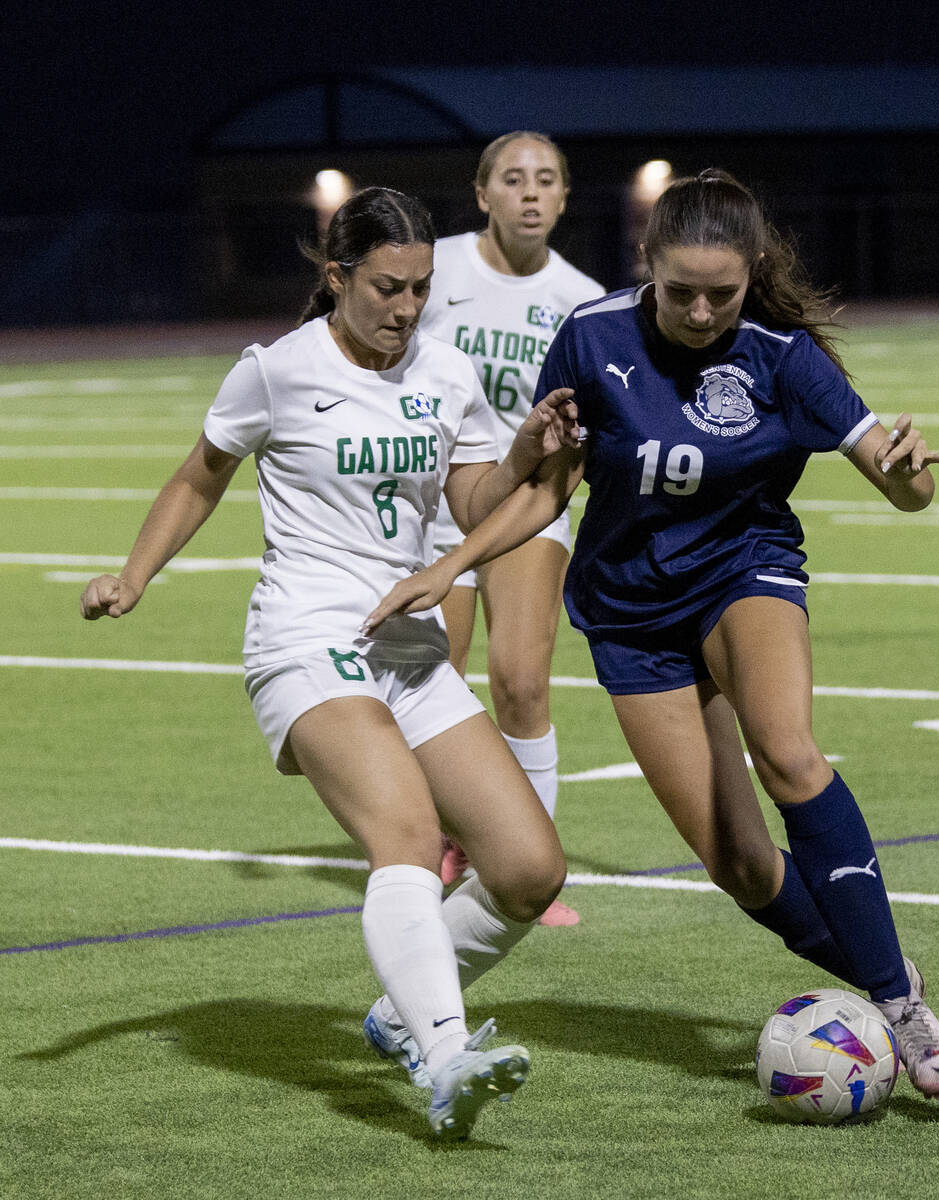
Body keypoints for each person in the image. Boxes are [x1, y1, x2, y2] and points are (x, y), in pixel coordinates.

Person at [362, 169, 939, 1100]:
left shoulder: (780, 353)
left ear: (753, 272)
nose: (696, 310)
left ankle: (896, 1001)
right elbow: (545, 488)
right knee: (737, 864)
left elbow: (902, 482)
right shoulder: (591, 335)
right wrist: (453, 564)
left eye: (719, 293)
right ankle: (882, 977)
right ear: (646, 262)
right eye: (678, 289)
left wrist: (905, 473)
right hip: (630, 612)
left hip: (743, 572)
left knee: (789, 753)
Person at [79, 186, 586, 1141]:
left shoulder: (444, 370)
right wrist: (135, 574)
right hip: (306, 641)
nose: (404, 309)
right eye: (386, 288)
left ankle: (401, 1011)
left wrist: (527, 451)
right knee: (402, 835)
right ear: (336, 276)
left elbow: (478, 504)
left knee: (527, 870)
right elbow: (202, 472)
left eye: (421, 290)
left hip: (411, 650)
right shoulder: (277, 370)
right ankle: (443, 1059)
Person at [418, 131, 605, 926]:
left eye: (546, 180)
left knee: (522, 681)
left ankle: (528, 869)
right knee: (432, 682)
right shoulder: (435, 272)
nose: (530, 193)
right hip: (431, 503)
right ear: (482, 193)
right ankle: (437, 844)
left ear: (564, 198)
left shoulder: (581, 300)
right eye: (513, 179)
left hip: (527, 503)